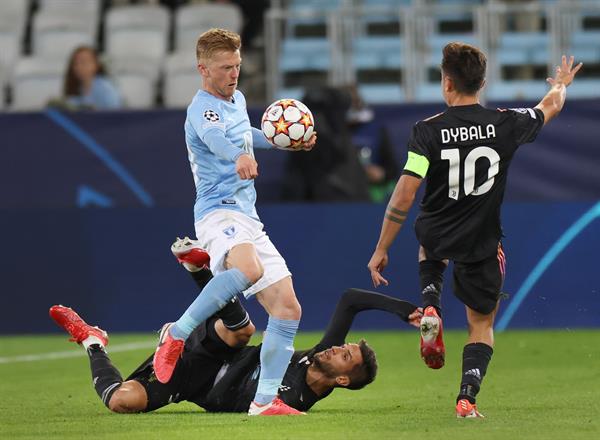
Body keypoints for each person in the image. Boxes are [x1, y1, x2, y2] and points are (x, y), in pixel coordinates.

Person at [367, 44, 582, 418]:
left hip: (435, 229)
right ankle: (467, 397)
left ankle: (430, 301)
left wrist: (382, 246)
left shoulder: (426, 131)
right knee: (481, 324)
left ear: (447, 84)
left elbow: (404, 193)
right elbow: (551, 106)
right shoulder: (506, 123)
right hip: (482, 240)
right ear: (481, 83)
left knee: (428, 243)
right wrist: (561, 83)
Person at [49, 241, 422, 414]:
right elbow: (351, 300)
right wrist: (406, 310)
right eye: (342, 346)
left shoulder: (304, 402)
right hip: (217, 347)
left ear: (342, 380)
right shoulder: (309, 358)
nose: (334, 349)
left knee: (120, 402)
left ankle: (93, 341)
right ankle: (201, 271)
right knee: (244, 333)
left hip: (193, 384)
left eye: (344, 355)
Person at [152, 28, 316, 416]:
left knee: (288, 309)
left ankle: (263, 402)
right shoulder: (202, 108)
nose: (233, 74)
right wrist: (236, 158)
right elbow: (217, 140)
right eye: (225, 67)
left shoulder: (237, 99)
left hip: (247, 217)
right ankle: (176, 333)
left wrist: (280, 141)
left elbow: (243, 137)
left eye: (237, 66)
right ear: (203, 69)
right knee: (249, 269)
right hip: (216, 211)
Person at [62, 46, 122, 110]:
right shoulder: (75, 89)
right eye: (76, 63)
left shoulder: (106, 89)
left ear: (96, 64)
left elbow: (115, 115)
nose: (79, 67)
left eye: (83, 62)